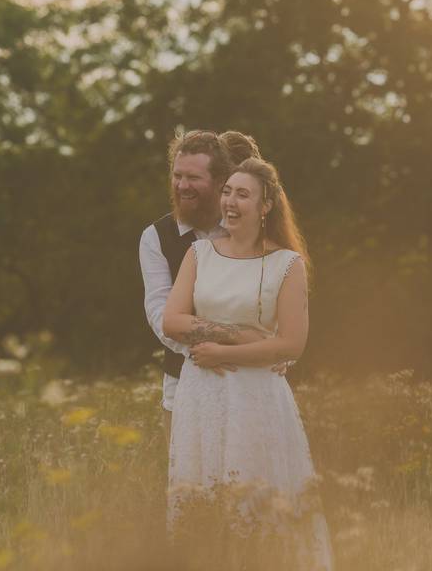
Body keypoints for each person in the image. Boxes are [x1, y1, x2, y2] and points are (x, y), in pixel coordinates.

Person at [163, 157, 333, 569]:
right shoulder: (199, 253)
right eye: (227, 192)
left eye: (243, 194)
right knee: (200, 497)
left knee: (255, 499)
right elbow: (172, 320)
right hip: (201, 396)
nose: (230, 201)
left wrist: (223, 352)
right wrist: (238, 334)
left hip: (256, 397)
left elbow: (292, 343)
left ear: (265, 206)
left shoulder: (287, 264)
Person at [139, 129, 284, 447]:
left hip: (255, 380)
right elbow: (159, 314)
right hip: (184, 384)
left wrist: (272, 349)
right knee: (190, 489)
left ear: (221, 182)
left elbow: (279, 299)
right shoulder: (156, 237)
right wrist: (207, 350)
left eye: (193, 177)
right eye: (177, 176)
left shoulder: (248, 228)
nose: (181, 185)